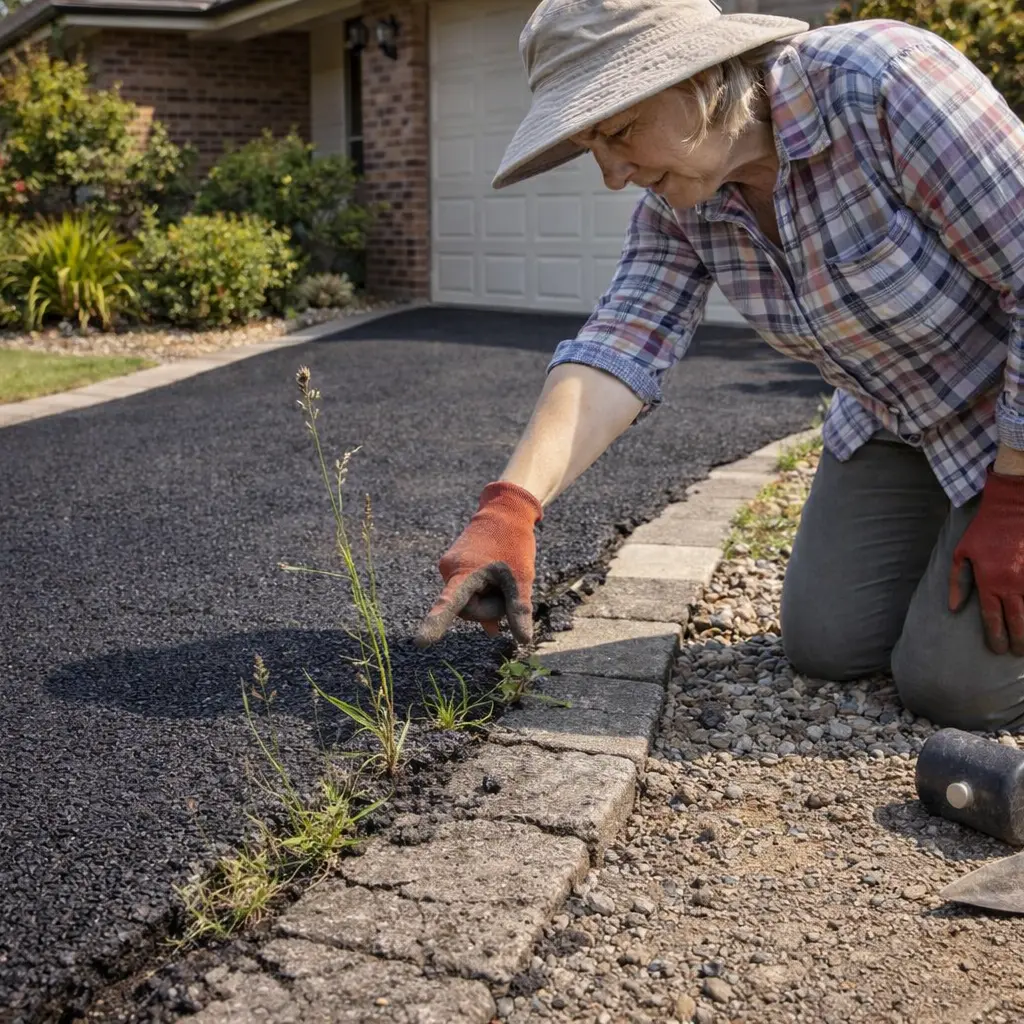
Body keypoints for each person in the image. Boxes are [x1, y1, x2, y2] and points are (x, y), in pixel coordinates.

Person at [414, 0, 1024, 732]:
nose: (611, 173)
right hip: (896, 420)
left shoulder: (882, 83)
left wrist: (1014, 497)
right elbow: (620, 343)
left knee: (956, 690)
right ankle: (949, 531)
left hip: (1009, 419)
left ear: (701, 77)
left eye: (619, 131)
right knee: (828, 643)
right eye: (591, 144)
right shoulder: (684, 202)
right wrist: (510, 508)